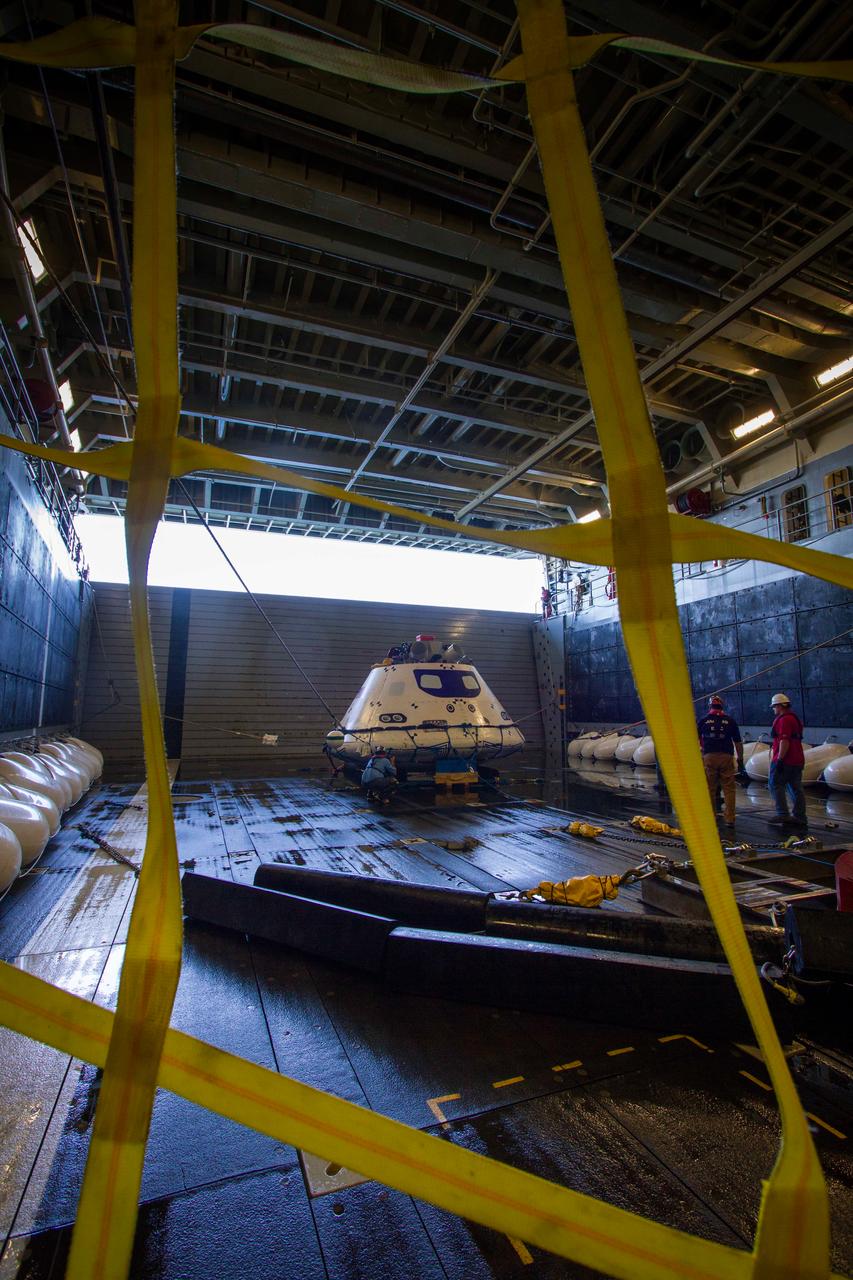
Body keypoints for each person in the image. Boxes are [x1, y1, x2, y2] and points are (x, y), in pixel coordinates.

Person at [697, 694, 744, 829]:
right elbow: (738, 742)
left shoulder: (704, 720)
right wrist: (740, 760)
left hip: (709, 757)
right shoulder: (730, 721)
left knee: (710, 789)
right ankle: (730, 819)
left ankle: (710, 817)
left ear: (710, 706)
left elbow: (694, 738)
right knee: (729, 789)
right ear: (722, 706)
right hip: (726, 757)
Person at [767, 693, 807, 829]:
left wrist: (779, 760)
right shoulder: (795, 719)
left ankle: (783, 813)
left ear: (779, 706)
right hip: (798, 759)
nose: (773, 709)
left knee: (775, 784)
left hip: (786, 760)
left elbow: (784, 740)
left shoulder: (783, 720)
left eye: (774, 707)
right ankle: (800, 816)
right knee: (796, 788)